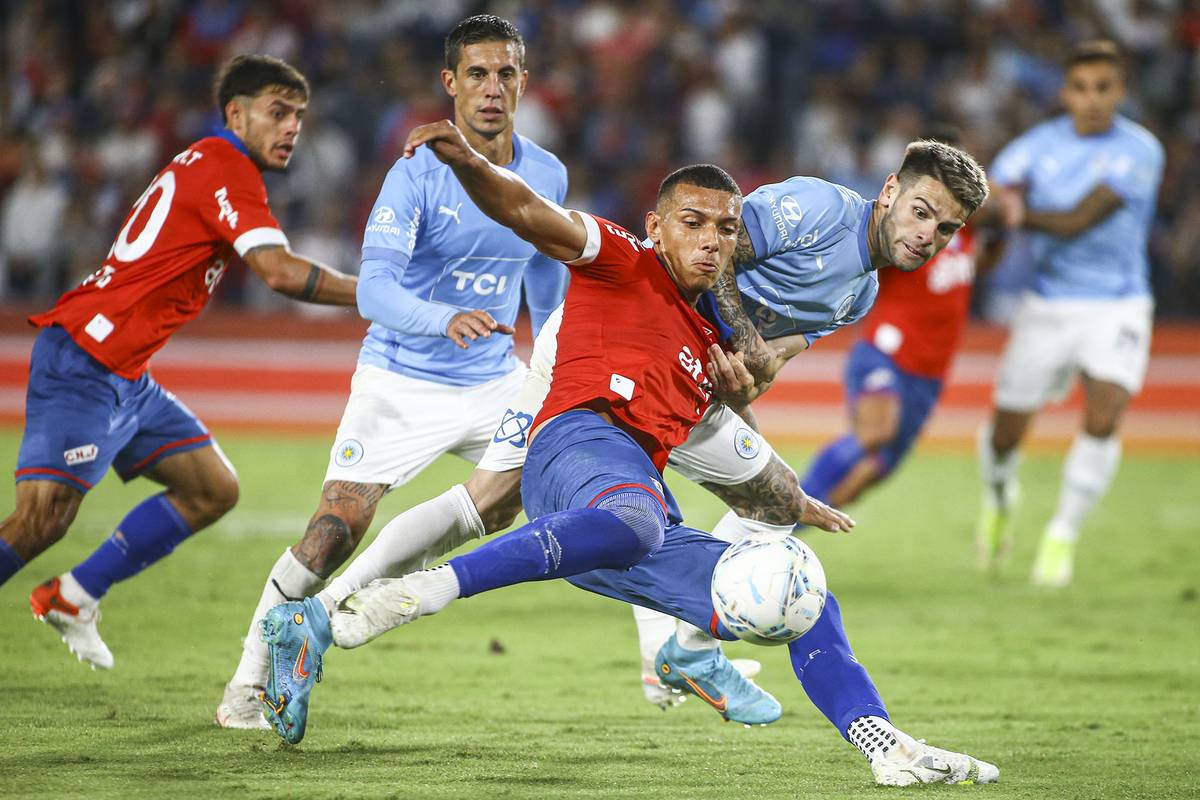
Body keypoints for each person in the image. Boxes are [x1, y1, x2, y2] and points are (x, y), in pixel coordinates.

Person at [257, 122, 1000, 786]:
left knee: (790, 554)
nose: (928, 235)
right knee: (490, 503)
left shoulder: (856, 294)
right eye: (922, 212)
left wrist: (754, 369)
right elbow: (605, 229)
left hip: (675, 412)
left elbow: (766, 360)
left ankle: (865, 734)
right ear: (892, 191)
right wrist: (465, 162)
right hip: (590, 392)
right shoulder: (714, 237)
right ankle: (342, 610)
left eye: (946, 230)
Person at [215, 15, 570, 728]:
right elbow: (375, 290)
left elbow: (547, 282)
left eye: (505, 73)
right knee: (334, 527)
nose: (492, 88)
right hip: (400, 378)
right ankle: (245, 687)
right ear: (450, 84)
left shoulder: (547, 172)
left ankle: (337, 611)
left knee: (536, 486)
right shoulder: (416, 173)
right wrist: (441, 319)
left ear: (524, 82)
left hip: (494, 376)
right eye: (477, 74)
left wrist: (556, 365)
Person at [0, 54, 359, 669]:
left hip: (125, 372)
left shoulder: (208, 160)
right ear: (235, 114)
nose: (291, 127)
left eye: (298, 115)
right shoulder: (227, 166)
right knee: (40, 522)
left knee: (212, 489)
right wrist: (377, 294)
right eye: (277, 112)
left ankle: (74, 594)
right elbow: (278, 272)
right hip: (86, 357)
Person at [975, 40, 1164, 586]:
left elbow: (1080, 219)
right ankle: (1000, 498)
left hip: (1119, 304)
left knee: (1103, 417)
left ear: (1120, 91)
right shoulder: (1033, 148)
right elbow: (992, 207)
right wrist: (992, 224)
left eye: (1103, 88)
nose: (1092, 100)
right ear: (1065, 92)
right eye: (1081, 88)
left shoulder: (1140, 150)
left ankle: (1062, 535)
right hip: (1048, 304)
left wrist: (1012, 214)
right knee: (1007, 433)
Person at [800, 129, 1001, 509]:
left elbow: (979, 266)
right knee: (875, 433)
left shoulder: (960, 231)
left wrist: (1001, 232)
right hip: (886, 351)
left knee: (872, 472)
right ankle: (770, 520)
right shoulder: (904, 227)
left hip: (930, 374)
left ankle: (786, 532)